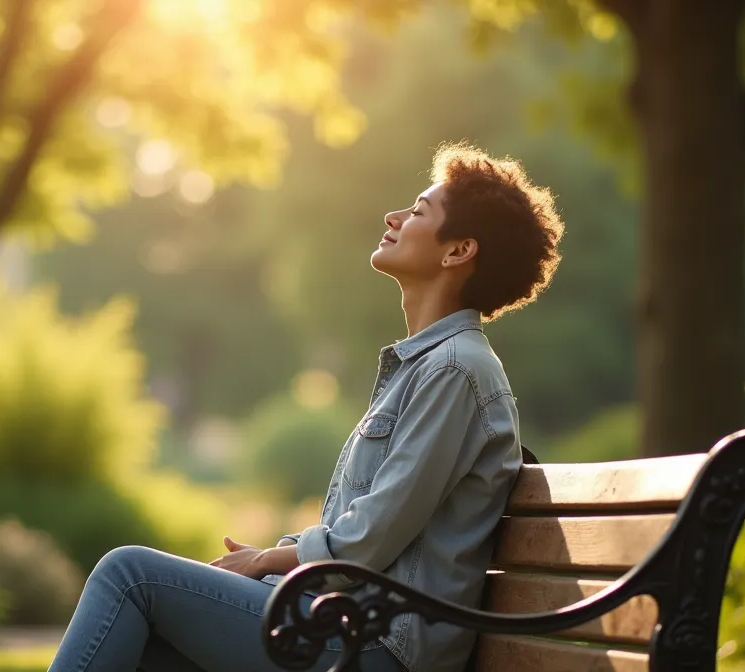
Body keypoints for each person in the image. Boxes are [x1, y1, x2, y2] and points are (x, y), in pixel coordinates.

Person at [47, 142, 565, 672]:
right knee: (152, 647)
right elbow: (364, 527)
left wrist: (270, 560)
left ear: (458, 252)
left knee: (129, 575)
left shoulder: (456, 370)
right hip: (348, 622)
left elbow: (370, 537)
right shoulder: (430, 366)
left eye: (417, 211)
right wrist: (272, 561)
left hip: (379, 645)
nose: (394, 216)